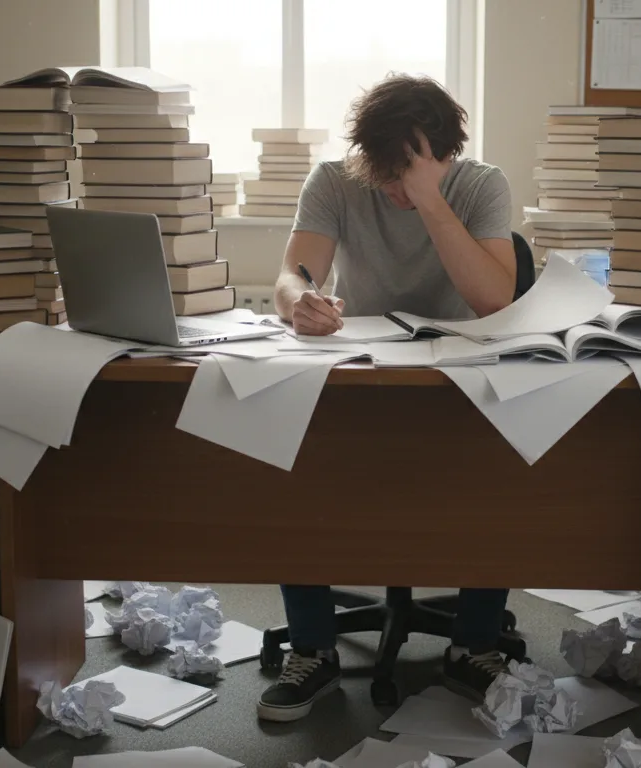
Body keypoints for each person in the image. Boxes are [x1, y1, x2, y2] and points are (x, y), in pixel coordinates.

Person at [258, 74, 517, 723]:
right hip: (360, 375)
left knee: (509, 457)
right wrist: (300, 305)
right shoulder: (334, 180)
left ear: (448, 157)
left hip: (463, 384)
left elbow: (494, 299)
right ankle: (313, 648)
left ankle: (475, 642)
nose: (396, 192)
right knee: (292, 453)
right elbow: (292, 274)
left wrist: (432, 200)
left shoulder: (482, 186)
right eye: (388, 177)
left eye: (412, 176)